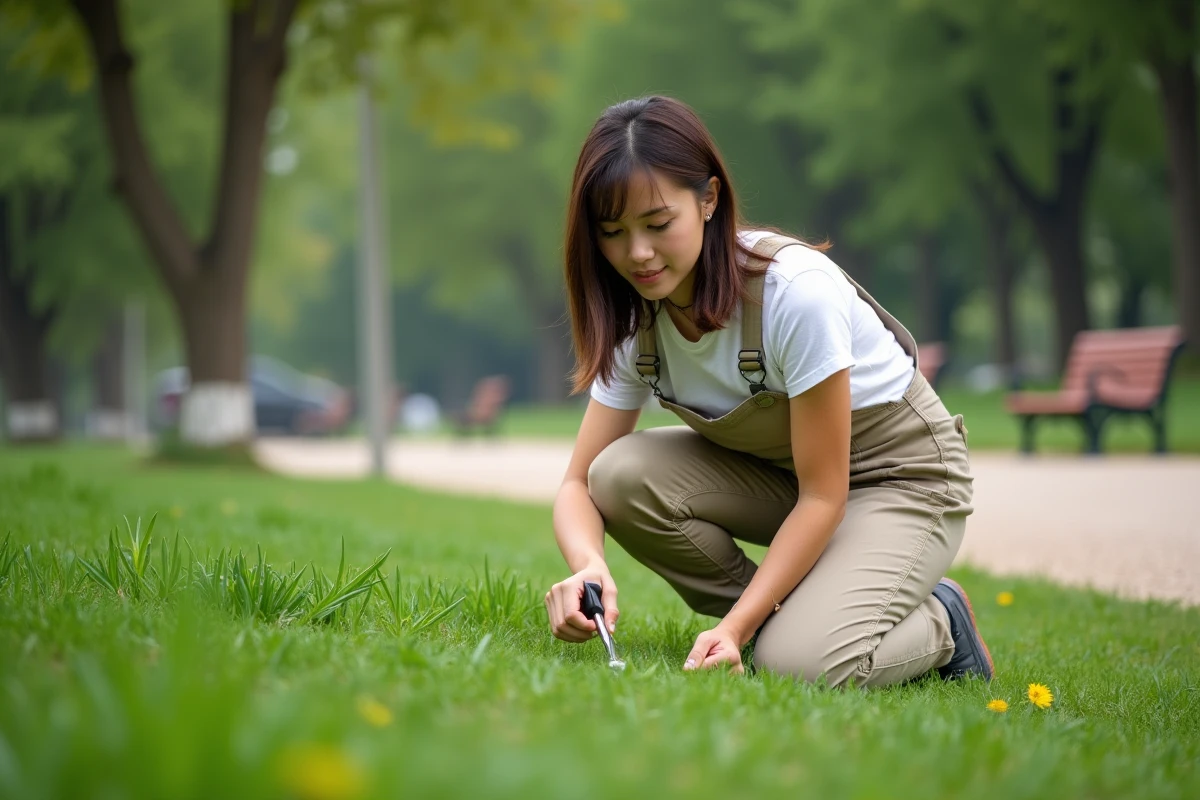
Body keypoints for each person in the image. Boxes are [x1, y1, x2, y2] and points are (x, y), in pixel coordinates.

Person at [543, 95, 993, 689]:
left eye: (657, 225)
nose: (639, 254)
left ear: (708, 200)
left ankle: (944, 621)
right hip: (792, 483)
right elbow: (579, 483)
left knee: (800, 668)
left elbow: (824, 495)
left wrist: (736, 626)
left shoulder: (792, 293)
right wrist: (588, 566)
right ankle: (801, 616)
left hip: (898, 480)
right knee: (619, 474)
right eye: (612, 232)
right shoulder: (635, 318)